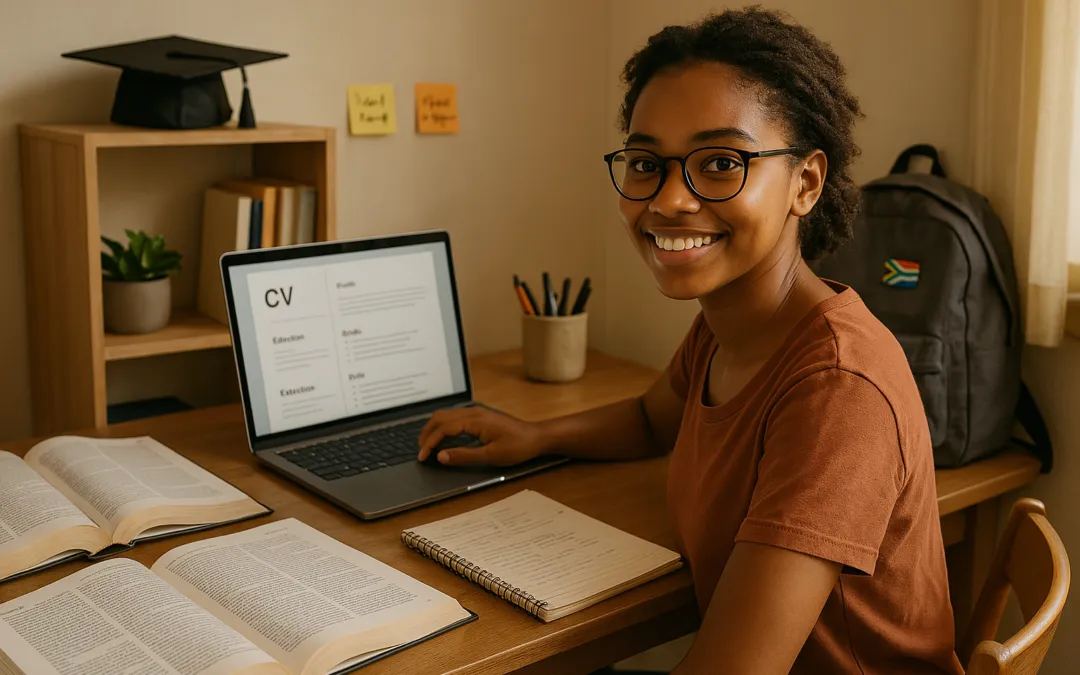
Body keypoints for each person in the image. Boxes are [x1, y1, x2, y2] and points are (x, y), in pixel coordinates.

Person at [418, 7, 963, 674]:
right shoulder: (727, 321)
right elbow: (652, 418)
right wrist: (536, 435)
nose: (671, 199)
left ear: (806, 182)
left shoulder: (836, 388)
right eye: (647, 163)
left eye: (720, 162)